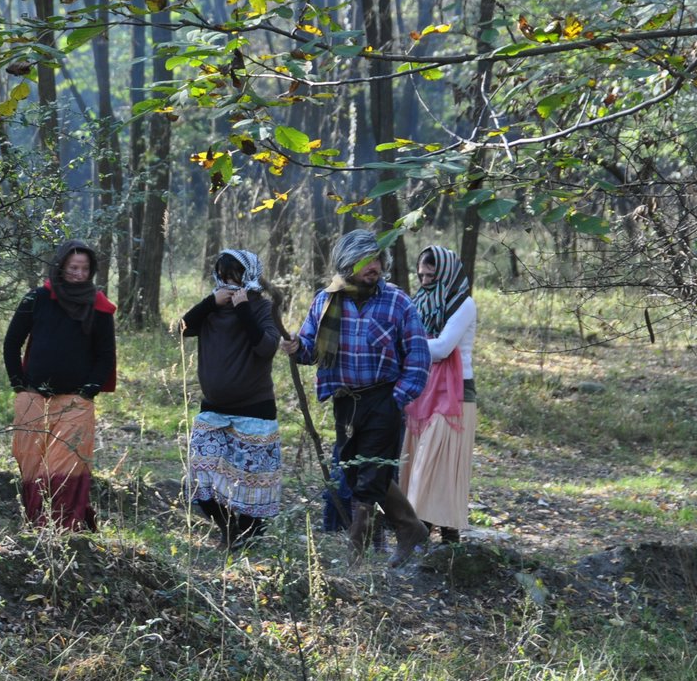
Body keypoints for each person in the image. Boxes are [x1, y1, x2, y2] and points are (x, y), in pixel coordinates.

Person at [281, 229, 430, 564]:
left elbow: (418, 357)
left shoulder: (397, 302)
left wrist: (398, 398)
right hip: (345, 401)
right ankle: (410, 527)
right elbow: (308, 350)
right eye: (365, 261)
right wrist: (294, 345)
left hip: (383, 397)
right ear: (347, 265)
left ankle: (356, 552)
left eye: (377, 259)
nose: (373, 266)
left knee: (371, 474)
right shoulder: (326, 301)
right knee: (352, 470)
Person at [2, 240, 117, 531]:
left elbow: (105, 356)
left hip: (75, 402)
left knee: (64, 469)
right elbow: (12, 343)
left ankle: (63, 530)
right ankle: (37, 527)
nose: (79, 273)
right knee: (31, 467)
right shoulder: (36, 299)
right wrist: (20, 385)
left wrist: (87, 391)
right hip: (32, 399)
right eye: (73, 267)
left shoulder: (99, 307)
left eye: (85, 268)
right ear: (60, 267)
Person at [181, 249, 284, 549]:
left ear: (249, 277)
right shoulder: (211, 310)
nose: (229, 285)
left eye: (235, 279)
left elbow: (265, 348)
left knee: (253, 483)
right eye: (224, 278)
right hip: (213, 412)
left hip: (255, 412)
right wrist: (210, 303)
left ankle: (248, 535)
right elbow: (182, 328)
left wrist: (243, 310)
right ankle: (226, 527)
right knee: (202, 479)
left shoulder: (263, 309)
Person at [402, 245, 477, 545]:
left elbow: (444, 347)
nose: (424, 281)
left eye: (431, 275)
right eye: (420, 275)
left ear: (445, 273)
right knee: (420, 459)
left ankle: (445, 535)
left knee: (441, 463)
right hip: (423, 387)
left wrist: (406, 345)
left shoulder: (464, 303)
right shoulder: (420, 301)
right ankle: (423, 534)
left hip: (456, 392)